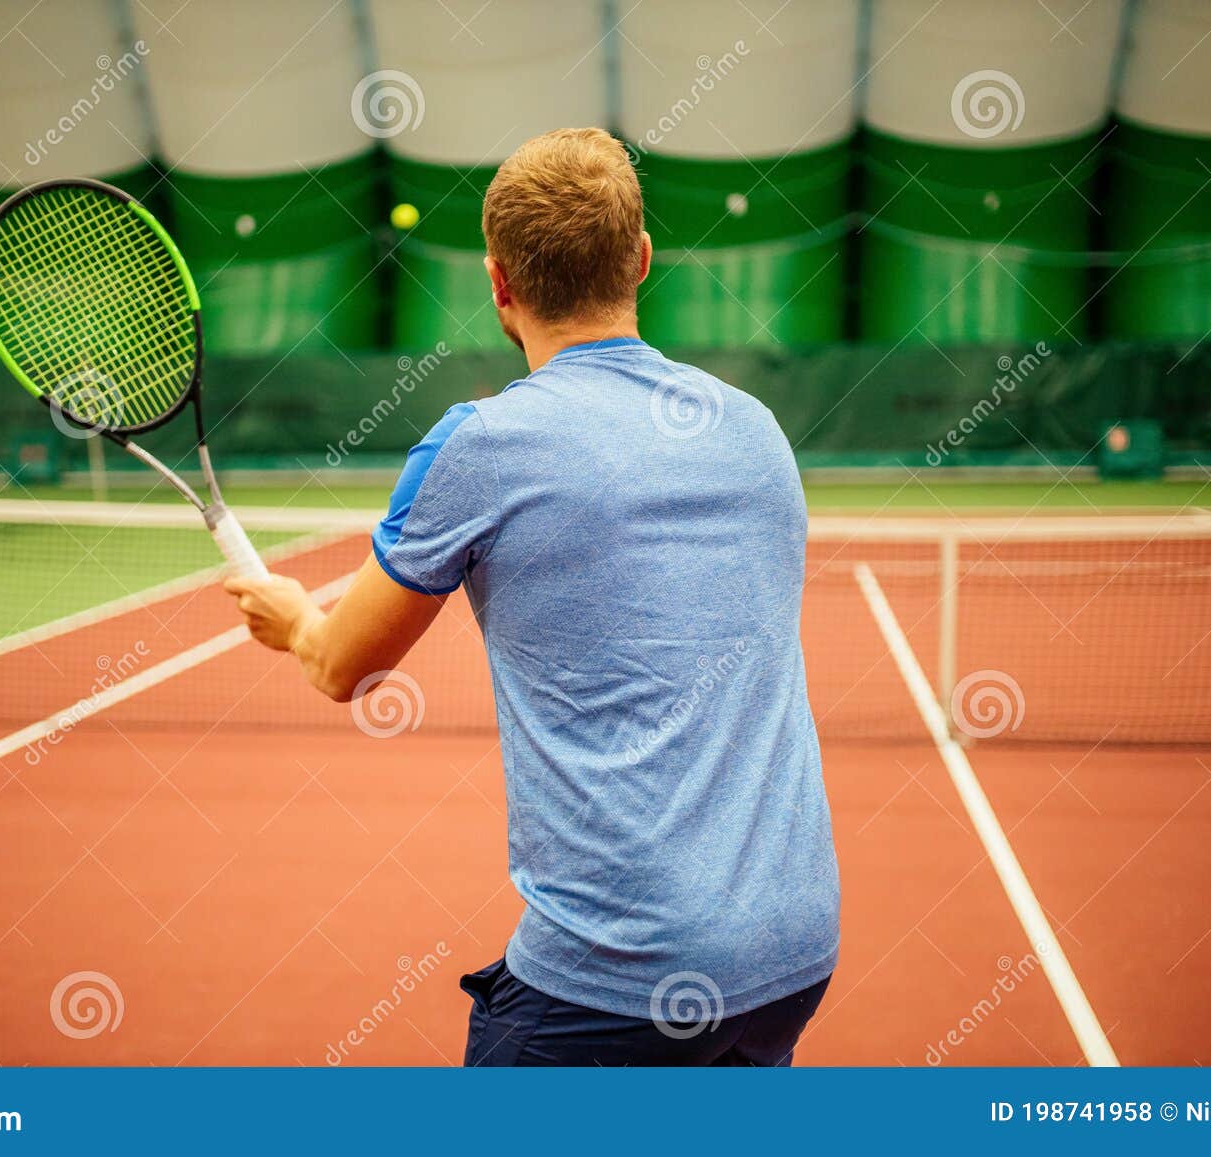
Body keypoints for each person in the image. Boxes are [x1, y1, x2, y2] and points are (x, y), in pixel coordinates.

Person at [226, 128, 838, 1066]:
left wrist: (293, 620)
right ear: (640, 260)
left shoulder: (480, 446)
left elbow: (340, 665)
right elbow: (603, 542)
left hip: (616, 976)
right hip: (789, 954)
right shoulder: (753, 428)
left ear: (499, 283)